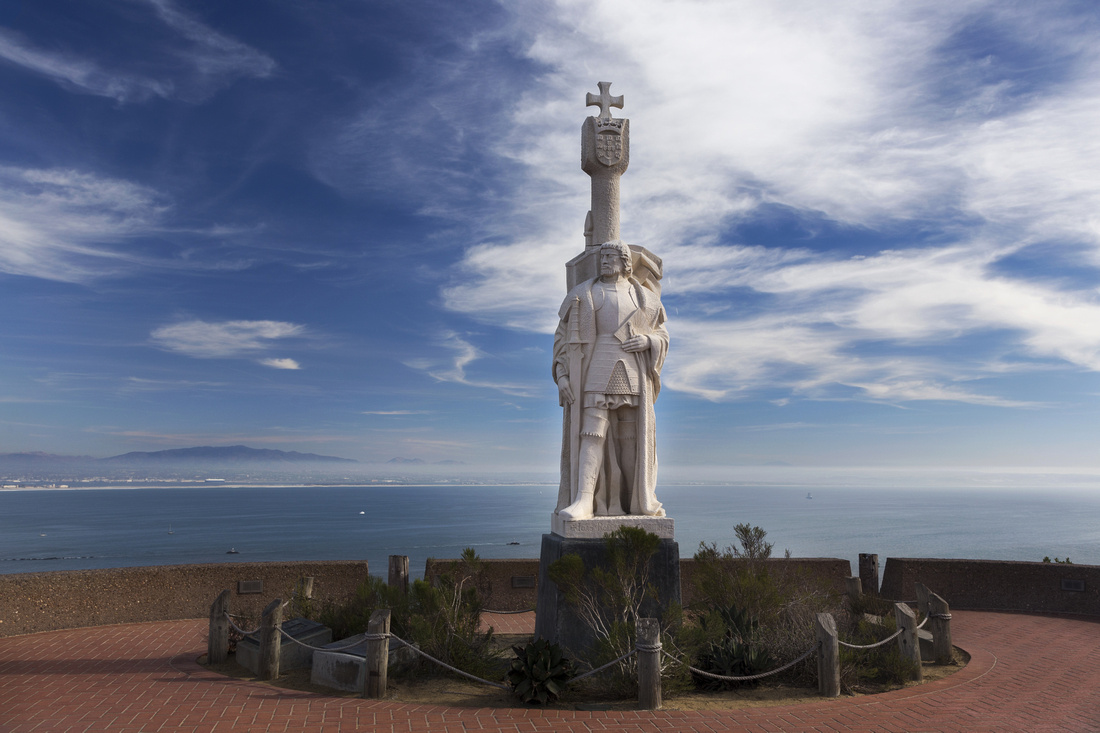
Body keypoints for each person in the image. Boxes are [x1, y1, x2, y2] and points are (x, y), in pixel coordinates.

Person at [553, 240, 668, 520]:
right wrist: (563, 374)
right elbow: (562, 338)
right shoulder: (583, 294)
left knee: (630, 436)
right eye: (602, 256)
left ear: (625, 262)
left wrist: (649, 340)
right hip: (596, 364)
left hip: (632, 368)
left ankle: (634, 499)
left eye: (611, 256)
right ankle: (583, 500)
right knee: (591, 432)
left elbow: (662, 334)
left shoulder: (644, 298)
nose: (605, 261)